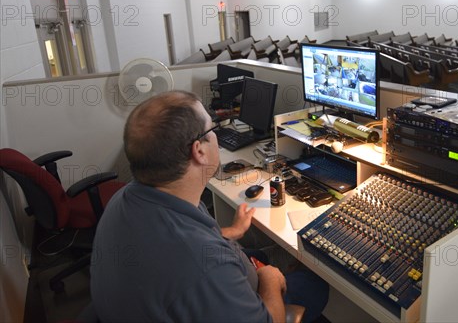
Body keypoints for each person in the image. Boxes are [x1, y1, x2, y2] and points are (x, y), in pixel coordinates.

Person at [90, 91, 327, 322]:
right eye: (213, 128)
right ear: (199, 151)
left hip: (181, 289)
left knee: (264, 254)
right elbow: (197, 261)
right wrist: (269, 279)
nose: (217, 136)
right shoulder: (204, 267)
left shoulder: (125, 198)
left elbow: (184, 241)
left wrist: (230, 232)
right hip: (241, 292)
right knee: (316, 280)